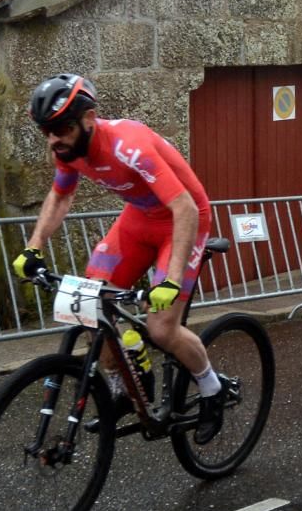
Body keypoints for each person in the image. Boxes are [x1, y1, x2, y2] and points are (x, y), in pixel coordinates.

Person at [11, 74, 223, 444]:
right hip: (139, 219)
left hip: (183, 220)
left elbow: (184, 207)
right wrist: (34, 247)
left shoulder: (130, 146)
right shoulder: (67, 150)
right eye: (46, 131)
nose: (53, 139)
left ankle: (211, 389)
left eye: (60, 128)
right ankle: (127, 383)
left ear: (88, 118)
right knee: (92, 302)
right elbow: (61, 196)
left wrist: (170, 279)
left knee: (161, 328)